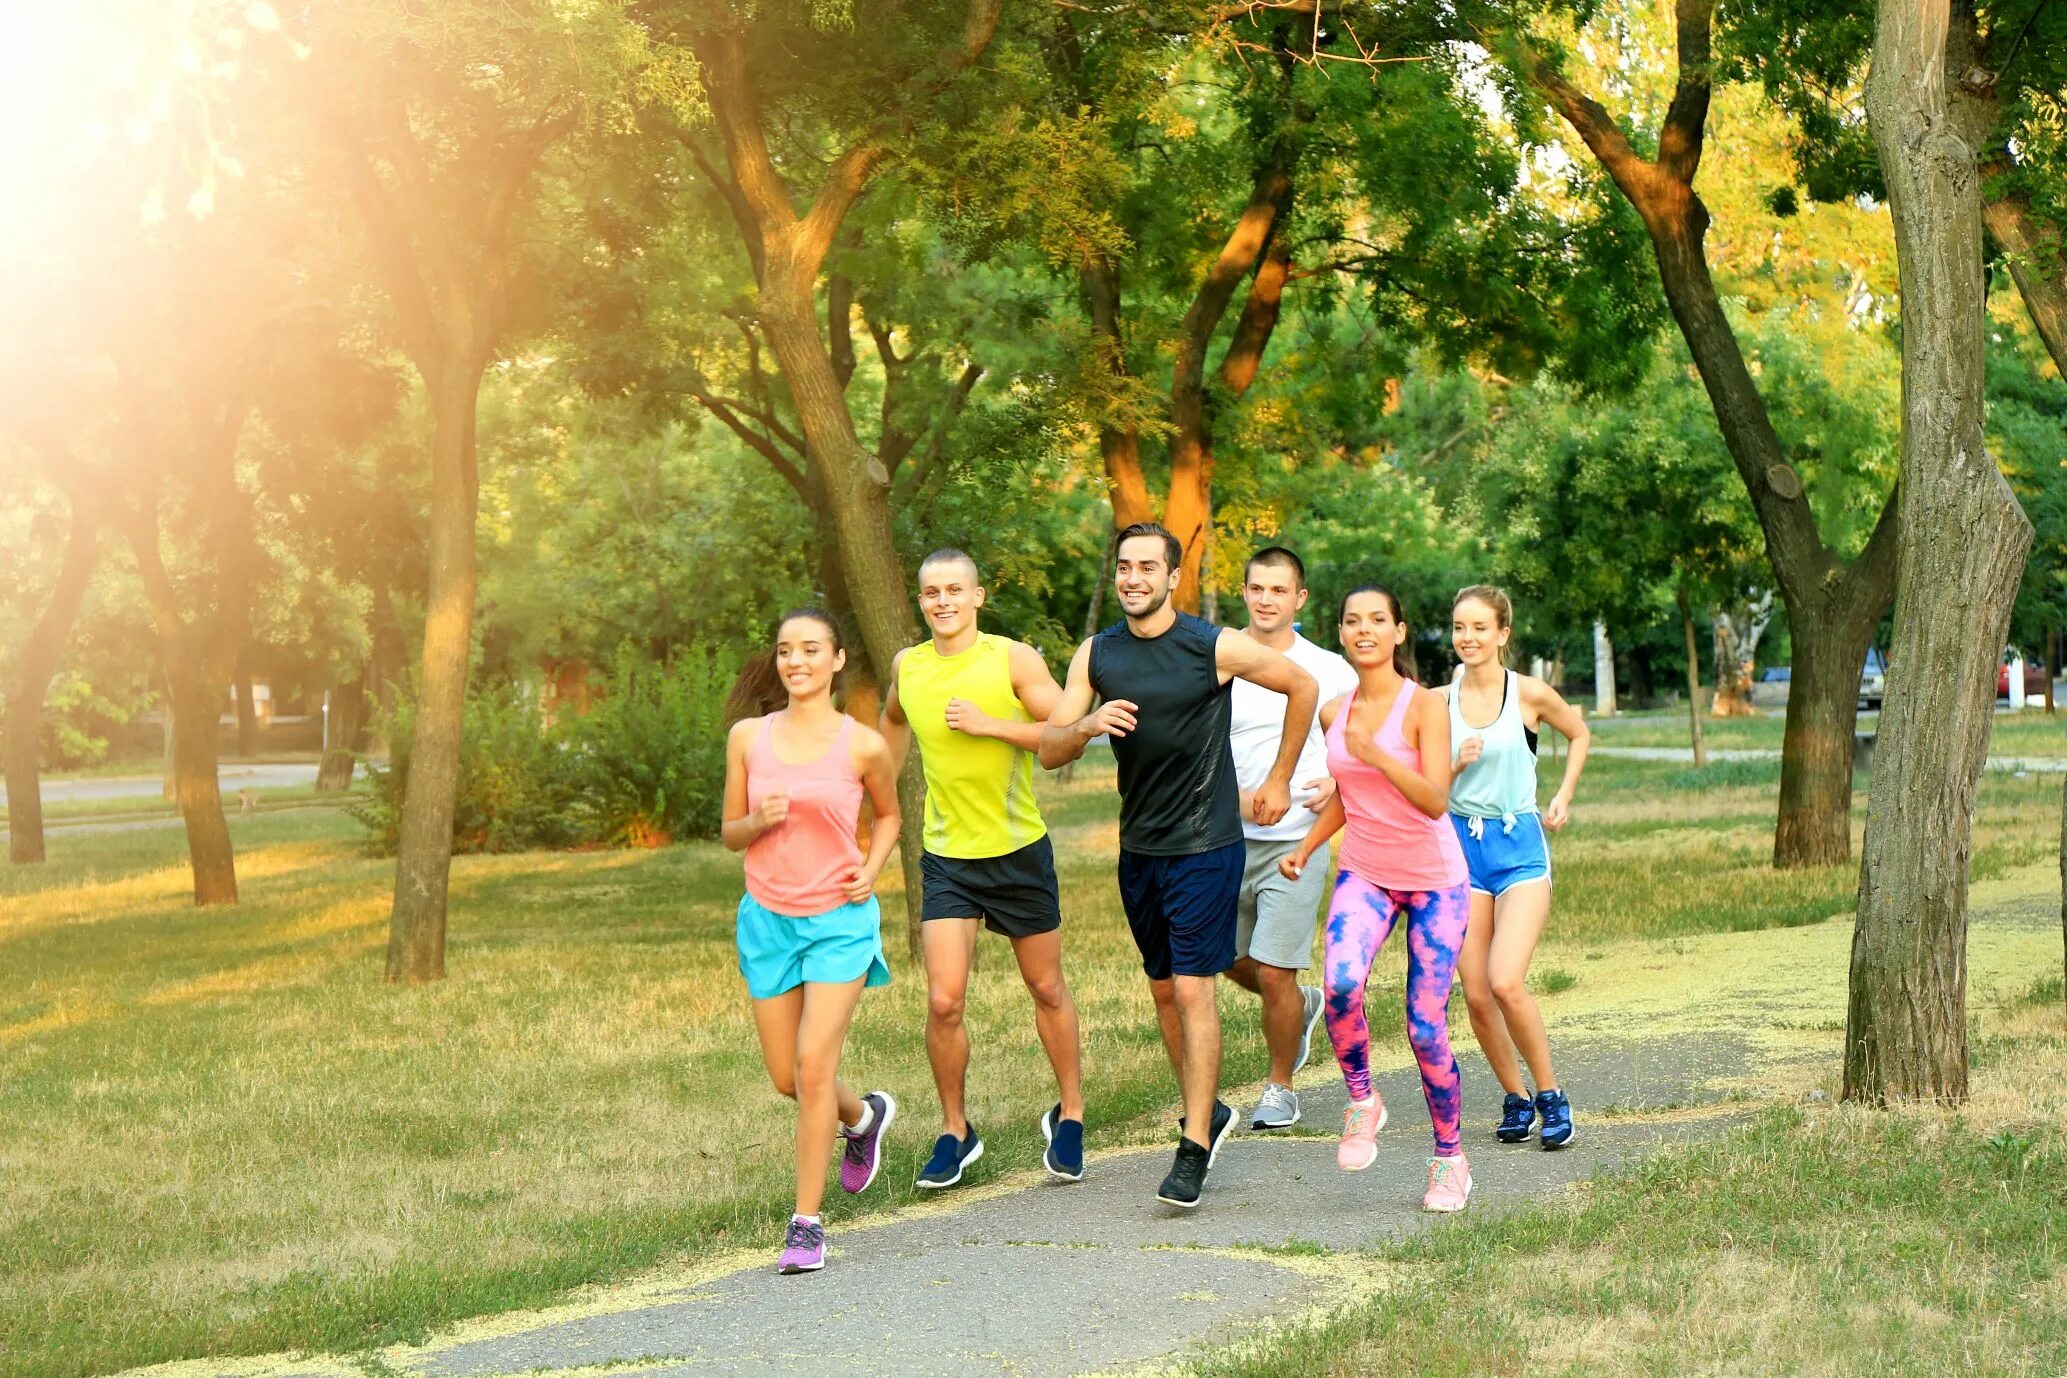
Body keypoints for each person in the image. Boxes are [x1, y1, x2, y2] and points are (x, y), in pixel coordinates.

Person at [1040, 522, 1318, 1209]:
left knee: (1194, 989)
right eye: (1123, 567)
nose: (1132, 578)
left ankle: (1192, 1145)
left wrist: (1280, 777)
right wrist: (1085, 724)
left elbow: (1302, 686)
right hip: (1139, 850)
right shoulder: (1095, 655)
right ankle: (1208, 1110)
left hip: (1205, 844)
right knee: (1164, 991)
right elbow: (1050, 749)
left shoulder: (1210, 645)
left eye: (1146, 567)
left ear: (1171, 578)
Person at [880, 549, 1087, 1190]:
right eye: (931, 592)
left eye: (954, 590)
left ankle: (1071, 1114)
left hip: (1019, 848)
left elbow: (1068, 729)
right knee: (943, 1001)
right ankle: (955, 1131)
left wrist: (990, 724)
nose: (942, 601)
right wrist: (877, 797)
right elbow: (889, 726)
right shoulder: (908, 667)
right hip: (948, 857)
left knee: (1046, 988)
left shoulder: (1010, 659)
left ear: (977, 597)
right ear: (921, 601)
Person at [1279, 586, 1474, 1212]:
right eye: (1353, 621)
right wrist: (1308, 847)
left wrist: (1374, 754)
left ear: (1399, 632)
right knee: (1339, 984)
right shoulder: (1334, 711)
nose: (1365, 630)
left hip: (1435, 880)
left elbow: (1435, 798)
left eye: (1377, 621)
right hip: (1364, 873)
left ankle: (1450, 1160)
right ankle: (1363, 1100)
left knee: (1424, 1026)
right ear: (1340, 633)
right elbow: (1349, 793)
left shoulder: (1426, 707)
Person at [721, 608, 901, 1275]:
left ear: (835, 660)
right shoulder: (748, 739)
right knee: (784, 1077)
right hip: (767, 921)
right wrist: (754, 820)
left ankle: (805, 1226)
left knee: (813, 1066)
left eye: (808, 650)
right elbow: (729, 833)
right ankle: (863, 1118)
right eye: (784, 650)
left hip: (837, 923)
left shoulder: (861, 745)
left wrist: (872, 866)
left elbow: (888, 816)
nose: (794, 661)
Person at [1444, 585, 1591, 1150]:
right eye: (1460, 627)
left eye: (1480, 627)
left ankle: (1552, 1095)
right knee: (1476, 990)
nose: (1469, 638)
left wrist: (1563, 794)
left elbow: (1578, 733)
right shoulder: (1440, 700)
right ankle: (1516, 1096)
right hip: (1461, 850)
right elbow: (1425, 783)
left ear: (1503, 633)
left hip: (1519, 845)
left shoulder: (1528, 694)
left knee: (1506, 980)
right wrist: (1454, 766)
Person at [1223, 547, 1358, 1130]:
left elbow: (1359, 744)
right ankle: (1300, 1008)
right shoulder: (1219, 656)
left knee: (1275, 970)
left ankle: (1279, 1087)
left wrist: (1335, 779)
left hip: (1295, 839)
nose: (1266, 599)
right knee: (1221, 959)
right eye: (1257, 588)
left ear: (1299, 599)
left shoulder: (1329, 669)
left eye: (1279, 590)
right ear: (1246, 592)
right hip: (1223, 837)